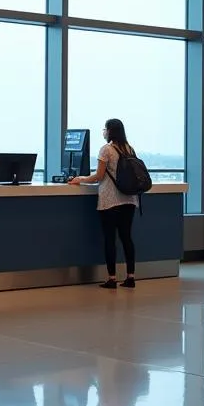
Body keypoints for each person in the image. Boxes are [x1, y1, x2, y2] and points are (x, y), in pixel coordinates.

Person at [69, 118, 139, 288]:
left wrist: (81, 179)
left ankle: (112, 278)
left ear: (110, 131)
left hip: (110, 200)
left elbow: (98, 176)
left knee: (110, 239)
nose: (104, 132)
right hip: (129, 199)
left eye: (105, 129)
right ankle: (130, 277)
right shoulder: (130, 149)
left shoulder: (106, 150)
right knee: (126, 237)